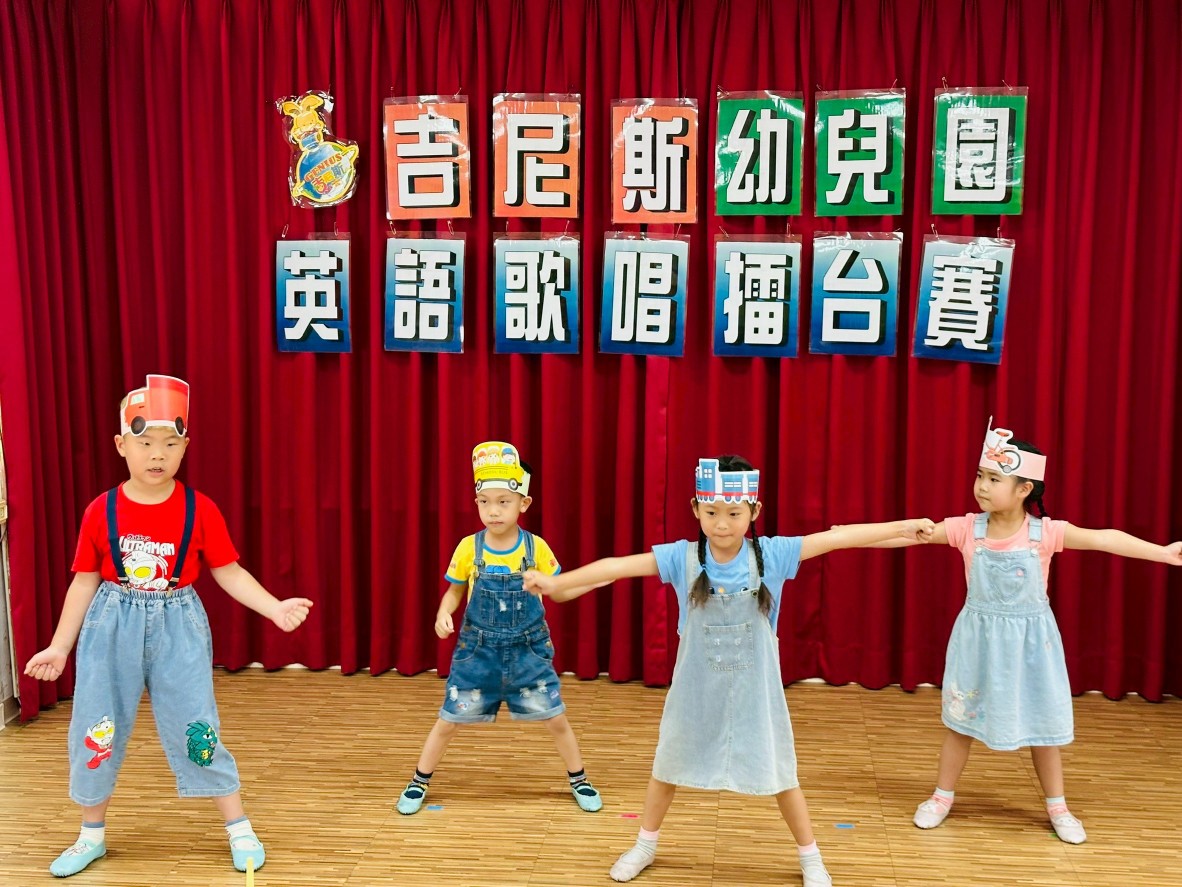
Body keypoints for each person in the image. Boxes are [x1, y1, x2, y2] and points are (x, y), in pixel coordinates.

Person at [524, 455, 936, 886]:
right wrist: (557, 583)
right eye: (711, 512)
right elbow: (616, 566)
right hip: (696, 688)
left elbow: (839, 538)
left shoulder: (773, 555)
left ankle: (811, 857)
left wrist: (904, 527)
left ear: (754, 511)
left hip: (757, 691)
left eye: (734, 513)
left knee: (781, 773)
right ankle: (644, 845)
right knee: (667, 766)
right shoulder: (681, 558)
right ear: (695, 509)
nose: (722, 524)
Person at [23, 375, 314, 877]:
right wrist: (59, 646)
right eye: (145, 443)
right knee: (96, 725)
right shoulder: (100, 511)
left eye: (170, 444)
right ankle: (90, 834)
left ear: (185, 447)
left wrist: (273, 607)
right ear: (122, 445)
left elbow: (229, 572)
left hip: (178, 623)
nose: (157, 454)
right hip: (111, 623)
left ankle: (238, 826)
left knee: (196, 725)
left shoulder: (201, 509)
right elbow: (83, 582)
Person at [872, 419, 1181, 844]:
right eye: (980, 475)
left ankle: (1058, 806)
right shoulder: (967, 528)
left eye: (994, 479)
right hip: (978, 644)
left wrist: (1161, 553)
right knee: (960, 723)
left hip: (1033, 648)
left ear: (1024, 490)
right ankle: (942, 796)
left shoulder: (1046, 533)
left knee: (1043, 727)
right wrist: (846, 538)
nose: (982, 486)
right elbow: (910, 537)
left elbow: (1105, 539)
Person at [396, 441, 607, 816]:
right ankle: (418, 780)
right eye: (484, 502)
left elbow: (558, 591)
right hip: (477, 654)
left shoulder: (536, 548)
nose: (493, 511)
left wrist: (594, 580)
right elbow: (454, 590)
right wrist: (442, 613)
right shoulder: (468, 548)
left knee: (556, 718)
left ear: (524, 503)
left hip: (529, 653)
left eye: (503, 502)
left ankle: (579, 779)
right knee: (448, 720)